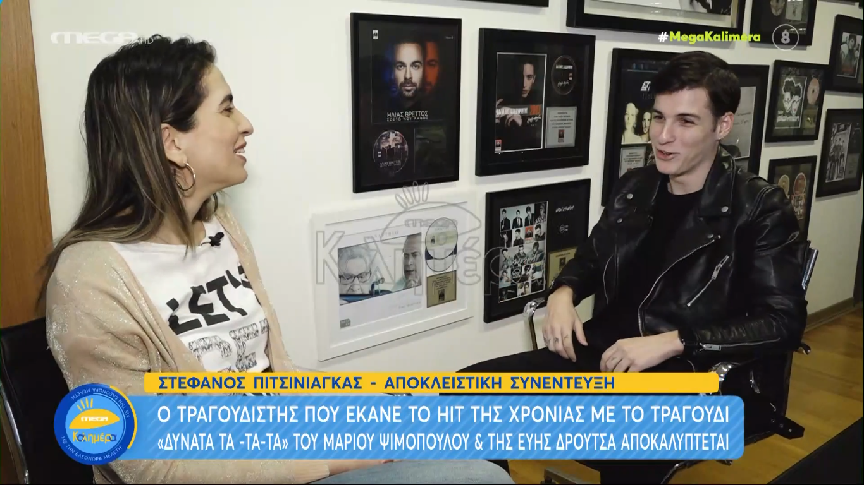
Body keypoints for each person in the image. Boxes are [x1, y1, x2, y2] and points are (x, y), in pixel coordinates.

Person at [40, 35, 513, 485]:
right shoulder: (89, 280)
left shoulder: (222, 227)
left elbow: (272, 380)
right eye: (226, 108)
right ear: (172, 142)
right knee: (481, 478)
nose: (245, 124)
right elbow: (148, 464)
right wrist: (334, 458)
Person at [458, 51, 808, 483]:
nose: (663, 136)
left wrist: (673, 342)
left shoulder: (759, 207)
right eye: (658, 117)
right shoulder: (635, 187)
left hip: (695, 376)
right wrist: (563, 293)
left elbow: (782, 322)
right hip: (605, 356)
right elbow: (590, 259)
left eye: (685, 121)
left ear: (722, 126)